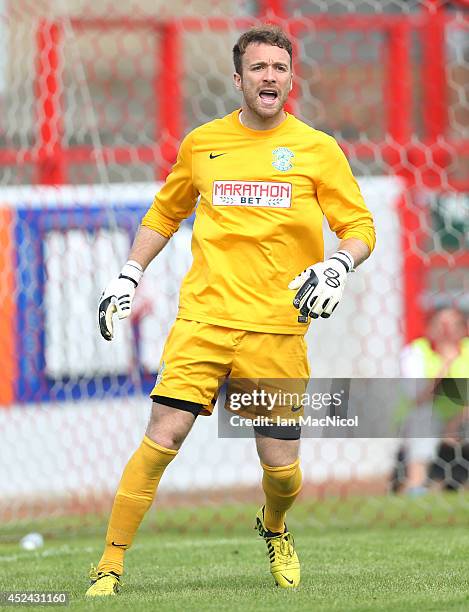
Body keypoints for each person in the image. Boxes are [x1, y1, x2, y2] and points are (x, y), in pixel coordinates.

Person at [87, 24, 376, 596]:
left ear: (291, 79)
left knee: (282, 469)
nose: (270, 77)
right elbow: (164, 215)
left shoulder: (318, 148)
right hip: (205, 320)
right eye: (259, 68)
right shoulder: (203, 144)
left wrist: (338, 266)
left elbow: (360, 228)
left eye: (280, 68)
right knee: (162, 437)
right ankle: (109, 566)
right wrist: (128, 272)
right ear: (239, 77)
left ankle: (274, 526)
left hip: (275, 328)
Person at [394, 307, 469, 495]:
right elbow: (417, 399)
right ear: (430, 328)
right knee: (423, 418)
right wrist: (445, 366)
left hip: (462, 419)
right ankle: (416, 484)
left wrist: (458, 419)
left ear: (463, 328)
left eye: (453, 325)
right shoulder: (416, 352)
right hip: (430, 418)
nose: (447, 332)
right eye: (441, 325)